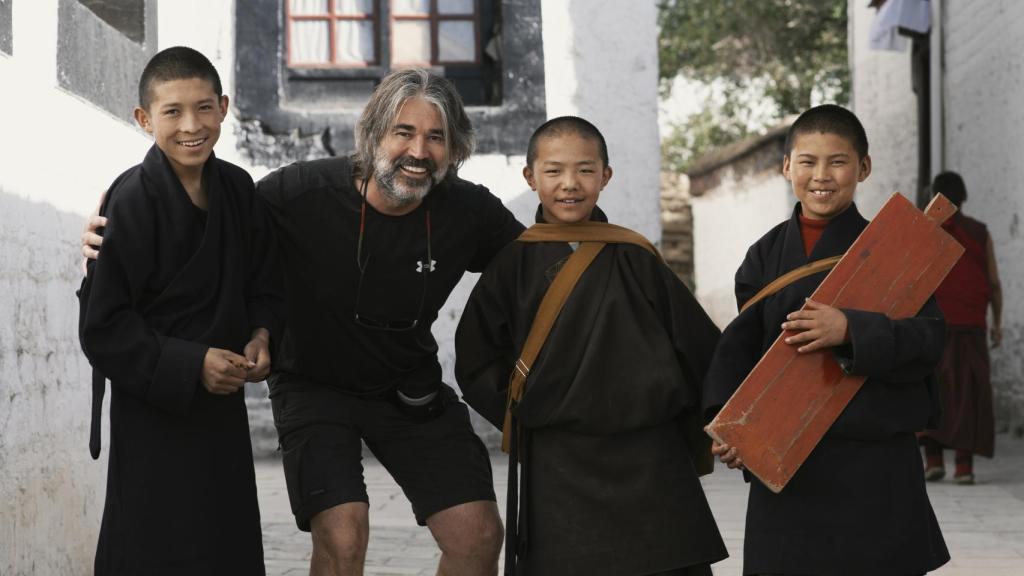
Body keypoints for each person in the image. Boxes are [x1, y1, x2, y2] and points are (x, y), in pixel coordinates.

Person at [86, 68, 520, 575]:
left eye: (436, 137)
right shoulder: (298, 192)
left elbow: (540, 266)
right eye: (403, 132)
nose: (418, 152)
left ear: (454, 147)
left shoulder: (468, 209)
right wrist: (105, 229)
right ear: (374, 133)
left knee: (479, 534)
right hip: (312, 387)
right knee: (344, 532)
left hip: (409, 389)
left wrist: (595, 234)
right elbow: (215, 217)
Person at [455, 116, 728, 576]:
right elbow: (476, 360)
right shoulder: (512, 264)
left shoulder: (635, 256)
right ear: (531, 177)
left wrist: (717, 423)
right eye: (554, 170)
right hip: (559, 462)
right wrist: (525, 421)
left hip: (650, 459)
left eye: (584, 170)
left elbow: (701, 349)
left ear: (605, 176)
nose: (570, 184)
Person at [703, 105, 950, 575]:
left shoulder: (893, 250)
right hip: (789, 466)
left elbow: (929, 340)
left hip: (873, 468)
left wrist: (851, 330)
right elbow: (740, 349)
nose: (822, 176)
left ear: (863, 167)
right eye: (807, 161)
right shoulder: (765, 254)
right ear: (786, 168)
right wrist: (726, 423)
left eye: (837, 161)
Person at [78, 46, 285, 574]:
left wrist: (261, 336)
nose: (190, 126)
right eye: (172, 112)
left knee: (225, 543)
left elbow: (264, 284)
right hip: (153, 411)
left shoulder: (238, 190)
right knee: (154, 549)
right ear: (145, 119)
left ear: (224, 106)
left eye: (203, 108)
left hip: (220, 415)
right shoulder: (130, 200)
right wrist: (193, 364)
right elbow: (103, 328)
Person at [919, 171, 1002, 484]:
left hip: (931, 324)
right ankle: (964, 467)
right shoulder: (978, 232)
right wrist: (997, 322)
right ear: (964, 196)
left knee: (932, 389)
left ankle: (934, 461)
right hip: (970, 324)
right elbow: (993, 282)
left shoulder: (925, 232)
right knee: (968, 391)